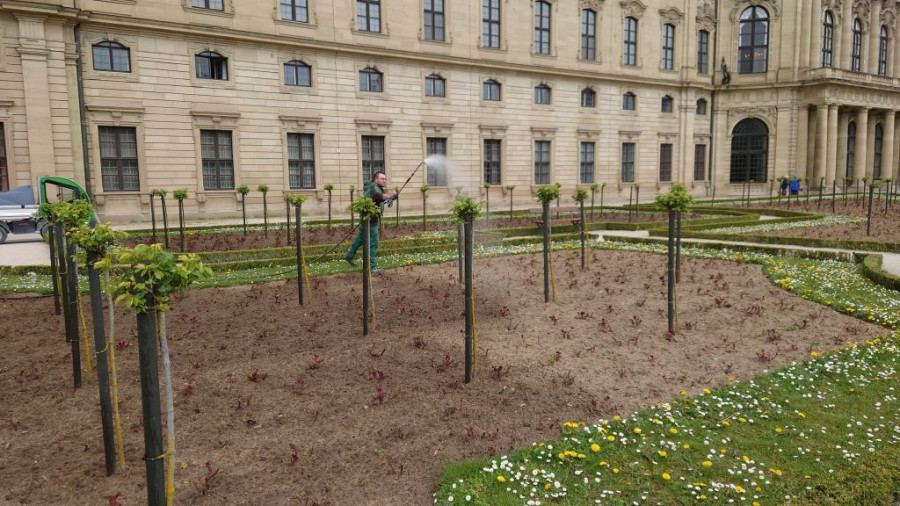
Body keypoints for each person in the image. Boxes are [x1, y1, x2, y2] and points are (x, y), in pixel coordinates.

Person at [344, 171, 397, 272]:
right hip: (370, 220)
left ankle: (349, 255)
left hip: (369, 219)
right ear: (375, 179)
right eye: (382, 179)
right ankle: (372, 267)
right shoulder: (372, 187)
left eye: (385, 179)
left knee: (361, 239)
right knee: (374, 243)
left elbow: (378, 201)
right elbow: (376, 196)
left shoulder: (377, 188)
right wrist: (389, 196)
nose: (384, 181)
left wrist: (390, 200)